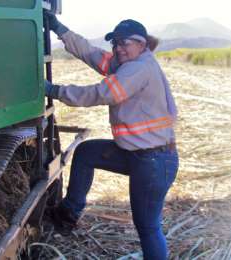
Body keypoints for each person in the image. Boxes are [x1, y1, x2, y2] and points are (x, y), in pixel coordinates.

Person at [44, 13, 179, 260]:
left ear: (142, 43)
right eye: (115, 43)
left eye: (124, 43)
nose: (118, 48)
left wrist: (54, 90)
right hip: (136, 155)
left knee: (148, 228)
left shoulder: (139, 69)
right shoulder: (128, 61)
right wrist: (60, 29)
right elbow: (92, 54)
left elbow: (102, 93)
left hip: (155, 162)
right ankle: (68, 214)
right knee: (86, 153)